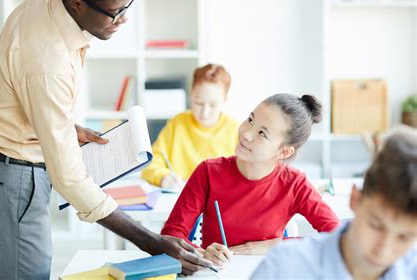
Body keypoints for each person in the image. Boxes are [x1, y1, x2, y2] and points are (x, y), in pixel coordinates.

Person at [0, 0, 210, 278]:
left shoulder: (41, 4)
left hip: (11, 175)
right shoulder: (49, 62)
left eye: (128, 4)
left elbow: (21, 90)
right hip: (16, 180)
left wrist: (62, 127)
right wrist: (151, 241)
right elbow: (69, 179)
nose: (123, 18)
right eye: (114, 11)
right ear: (77, 5)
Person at [161, 93, 340, 269]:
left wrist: (272, 245)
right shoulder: (208, 172)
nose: (246, 133)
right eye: (251, 120)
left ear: (284, 152)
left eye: (262, 133)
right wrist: (201, 253)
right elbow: (171, 235)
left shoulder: (295, 184)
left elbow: (337, 237)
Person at [250, 130, 417, 279]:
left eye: (404, 237)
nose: (383, 250)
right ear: (355, 199)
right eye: (375, 226)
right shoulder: (284, 269)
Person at [142, 64, 239, 190]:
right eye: (198, 103)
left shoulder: (235, 130)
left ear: (224, 99)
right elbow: (150, 162)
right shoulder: (177, 124)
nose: (204, 112)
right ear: (191, 93)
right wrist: (163, 177)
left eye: (213, 105)